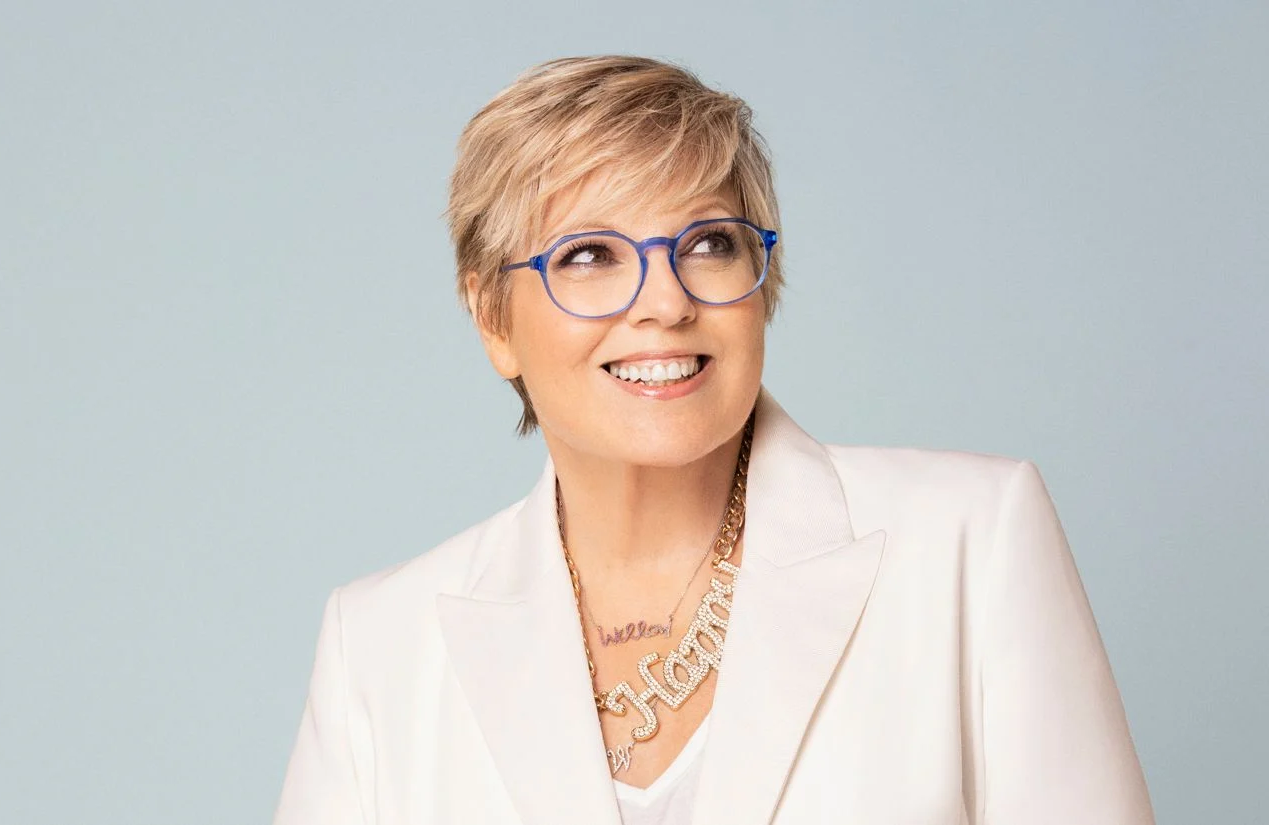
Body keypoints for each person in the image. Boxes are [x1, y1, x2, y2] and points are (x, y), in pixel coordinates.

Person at [272, 55, 1155, 825]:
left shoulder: (971, 543)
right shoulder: (379, 648)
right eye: (589, 255)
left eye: (707, 243)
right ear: (491, 318)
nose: (665, 302)